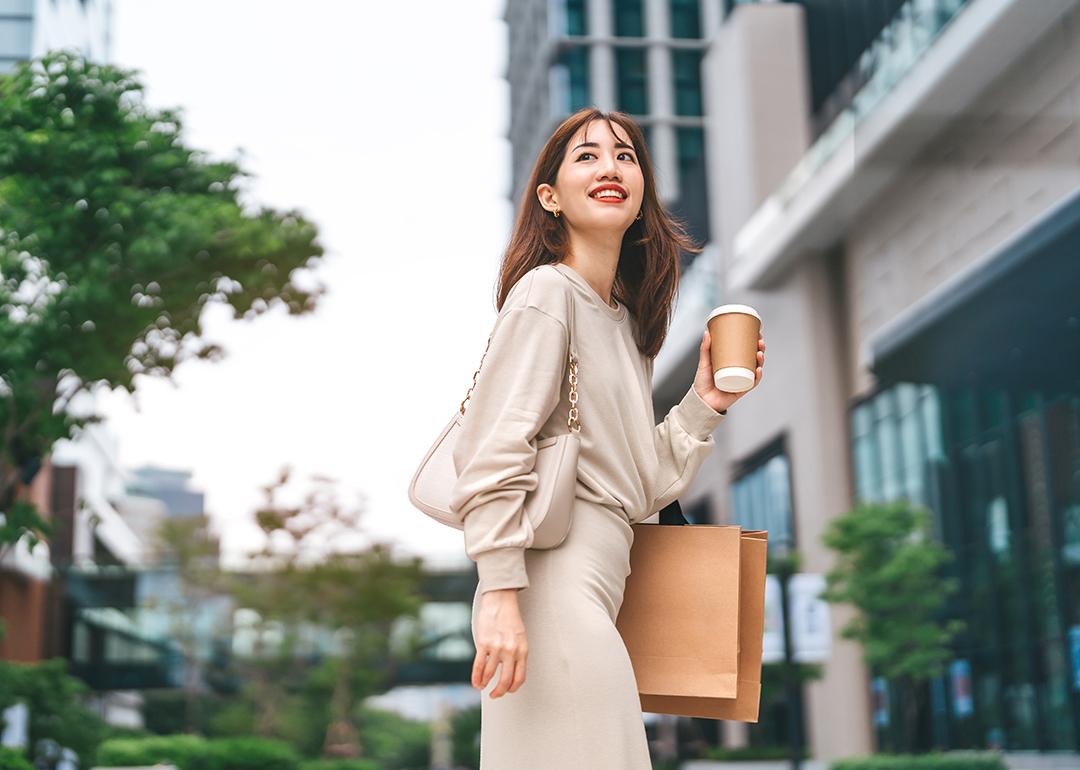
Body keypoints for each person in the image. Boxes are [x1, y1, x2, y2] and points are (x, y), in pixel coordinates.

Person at [448, 107, 766, 769]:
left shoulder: (623, 323)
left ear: (643, 185)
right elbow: (490, 451)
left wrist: (708, 400)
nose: (611, 167)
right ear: (550, 197)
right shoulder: (545, 294)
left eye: (624, 155)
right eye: (586, 156)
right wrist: (502, 594)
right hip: (550, 585)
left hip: (601, 578)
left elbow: (642, 484)